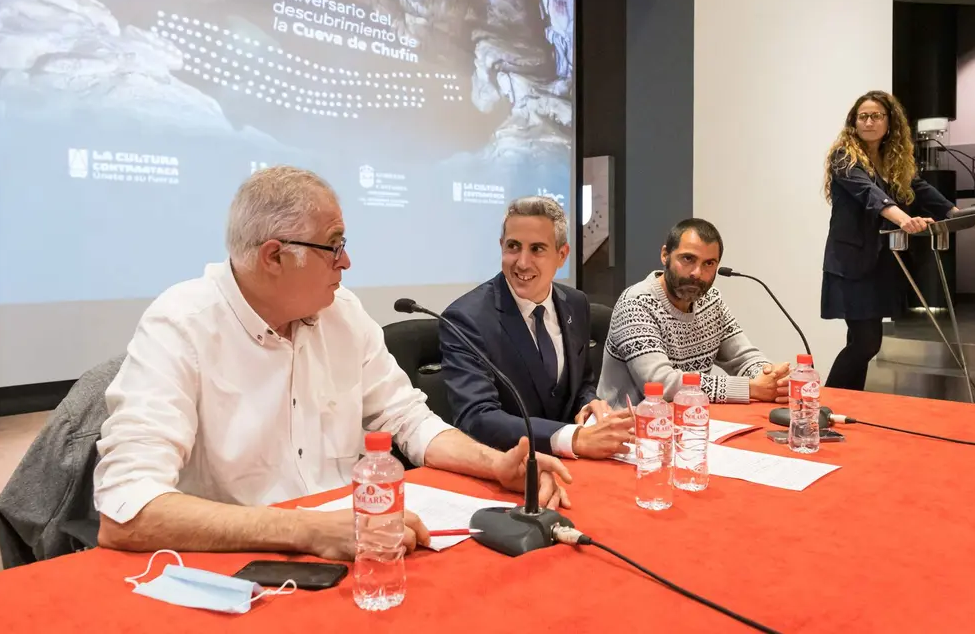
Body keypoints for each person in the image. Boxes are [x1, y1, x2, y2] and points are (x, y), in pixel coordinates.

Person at [93, 167, 570, 560]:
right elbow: (127, 512)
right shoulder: (180, 325)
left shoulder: (342, 313)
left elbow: (407, 419)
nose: (347, 263)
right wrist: (309, 530)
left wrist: (496, 465)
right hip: (242, 563)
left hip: (359, 550)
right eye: (334, 245)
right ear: (275, 256)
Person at [821, 90, 975, 391]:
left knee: (862, 343)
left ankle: (845, 405)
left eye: (876, 116)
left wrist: (959, 214)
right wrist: (903, 219)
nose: (869, 122)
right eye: (863, 116)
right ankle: (823, 405)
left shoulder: (893, 161)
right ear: (854, 122)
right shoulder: (844, 156)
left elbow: (922, 190)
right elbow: (870, 195)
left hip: (879, 265)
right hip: (851, 265)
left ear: (890, 123)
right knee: (865, 343)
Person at [441, 196, 632, 460]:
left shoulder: (576, 303)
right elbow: (476, 417)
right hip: (509, 468)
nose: (521, 262)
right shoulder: (466, 318)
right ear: (501, 247)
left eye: (537, 249)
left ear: (562, 255)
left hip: (577, 464)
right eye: (513, 247)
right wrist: (573, 438)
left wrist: (589, 404)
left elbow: (581, 384)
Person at [597, 218, 790, 409]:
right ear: (665, 255)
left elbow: (742, 357)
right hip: (628, 429)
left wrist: (771, 378)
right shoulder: (636, 304)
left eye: (709, 263)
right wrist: (750, 388)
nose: (697, 273)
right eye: (688, 259)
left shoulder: (711, 300)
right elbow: (661, 384)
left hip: (689, 422)